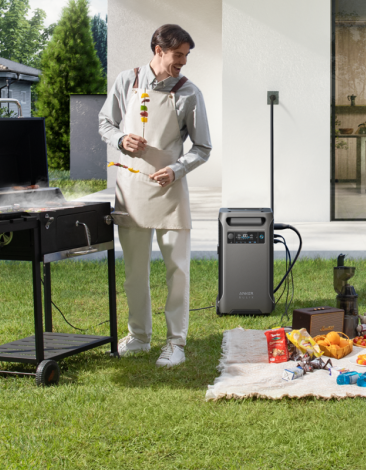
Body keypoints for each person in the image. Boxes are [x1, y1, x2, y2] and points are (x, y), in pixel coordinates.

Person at [99, 24, 211, 367]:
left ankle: (175, 342)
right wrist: (121, 140)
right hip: (131, 190)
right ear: (159, 50)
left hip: (170, 192)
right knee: (135, 271)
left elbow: (203, 147)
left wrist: (176, 169)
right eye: (178, 55)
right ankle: (139, 337)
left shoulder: (189, 92)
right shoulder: (125, 81)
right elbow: (106, 122)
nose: (183, 62)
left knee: (177, 270)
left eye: (186, 56)